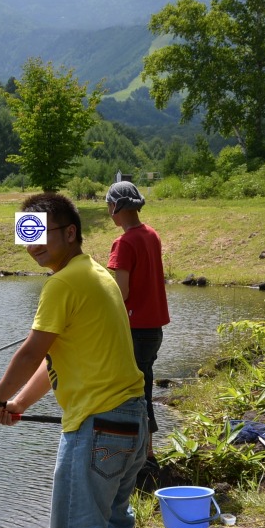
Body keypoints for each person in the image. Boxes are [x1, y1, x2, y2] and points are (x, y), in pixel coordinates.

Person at [0, 193, 146, 528]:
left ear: (70, 232)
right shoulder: (97, 274)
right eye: (25, 234)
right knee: (116, 523)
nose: (33, 244)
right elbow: (54, 360)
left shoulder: (62, 284)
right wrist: (18, 404)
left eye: (40, 232)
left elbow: (31, 351)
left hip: (96, 425)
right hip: (131, 420)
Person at [105, 181, 169, 467]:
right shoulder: (151, 234)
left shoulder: (124, 243)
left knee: (133, 393)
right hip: (153, 329)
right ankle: (147, 452)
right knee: (144, 386)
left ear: (116, 207)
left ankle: (141, 456)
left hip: (133, 329)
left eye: (108, 205)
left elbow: (121, 293)